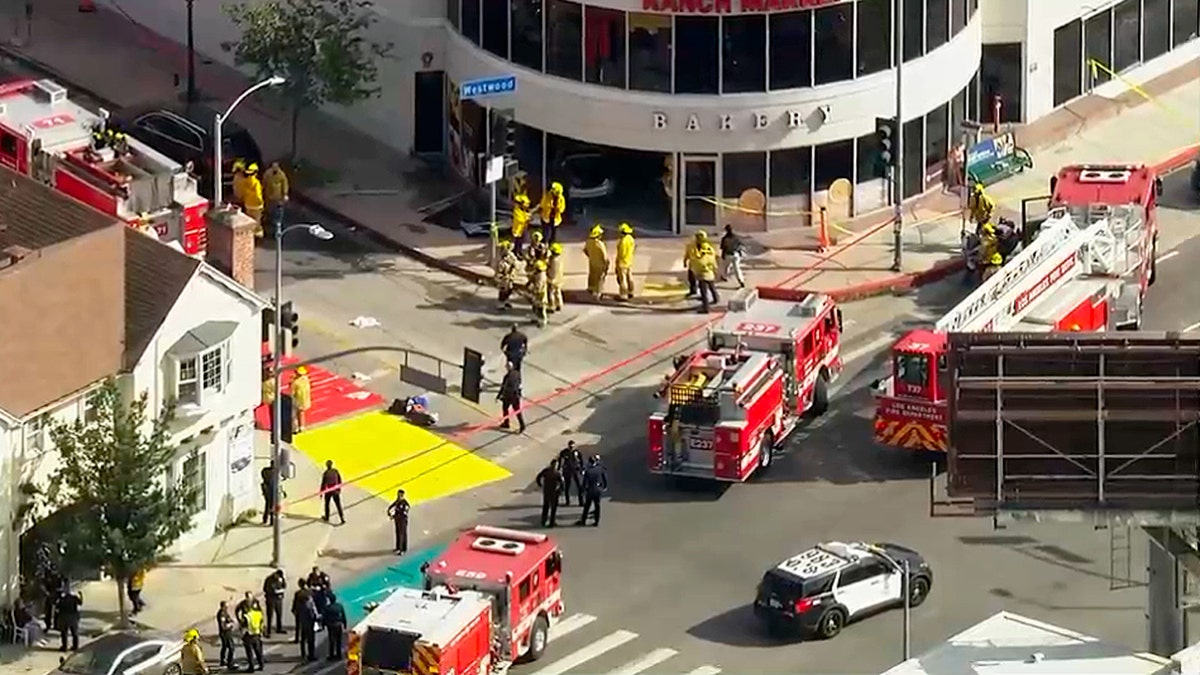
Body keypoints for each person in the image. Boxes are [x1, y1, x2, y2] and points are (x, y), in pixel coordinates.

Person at [691, 233, 720, 313]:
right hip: (710, 273)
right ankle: (716, 298)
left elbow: (697, 263)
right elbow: (714, 260)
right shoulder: (709, 249)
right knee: (712, 287)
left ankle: (706, 308)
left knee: (704, 292)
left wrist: (695, 270)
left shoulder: (698, 252)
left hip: (702, 274)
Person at [577, 455, 608, 527]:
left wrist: (583, 489)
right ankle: (596, 521)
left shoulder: (588, 471)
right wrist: (605, 486)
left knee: (587, 506)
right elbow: (604, 478)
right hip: (598, 489)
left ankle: (583, 520)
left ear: (589, 462)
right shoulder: (600, 469)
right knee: (597, 506)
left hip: (590, 490)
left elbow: (585, 482)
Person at [497, 361, 526, 433]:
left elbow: (503, 387)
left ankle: (506, 423)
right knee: (517, 411)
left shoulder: (507, 377)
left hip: (509, 396)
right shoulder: (517, 373)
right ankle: (522, 425)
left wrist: (499, 396)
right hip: (516, 396)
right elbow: (519, 382)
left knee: (505, 409)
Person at [262, 161, 289, 235]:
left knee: (278, 212)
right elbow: (264, 183)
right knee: (269, 211)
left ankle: (278, 226)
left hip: (278, 197)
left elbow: (285, 184)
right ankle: (269, 225)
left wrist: (285, 194)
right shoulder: (267, 174)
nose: (275, 169)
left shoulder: (281, 175)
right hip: (269, 196)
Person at [584, 225, 609, 299]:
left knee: (592, 276)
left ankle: (591, 288)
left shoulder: (588, 242)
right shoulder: (600, 244)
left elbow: (585, 251)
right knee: (599, 279)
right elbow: (604, 256)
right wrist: (606, 263)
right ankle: (598, 293)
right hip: (600, 264)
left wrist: (591, 256)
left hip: (592, 262)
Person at [536, 460, 563, 527]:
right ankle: (552, 522)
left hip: (547, 491)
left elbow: (538, 477)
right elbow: (562, 483)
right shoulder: (557, 473)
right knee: (553, 508)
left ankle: (543, 521)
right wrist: (560, 490)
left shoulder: (546, 471)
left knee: (546, 507)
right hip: (554, 492)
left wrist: (540, 484)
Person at [557, 440, 584, 507]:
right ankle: (567, 502)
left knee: (579, 486)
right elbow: (560, 461)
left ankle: (581, 502)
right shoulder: (564, 452)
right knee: (567, 487)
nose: (571, 447)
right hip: (567, 471)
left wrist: (582, 469)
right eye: (570, 446)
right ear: (568, 445)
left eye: (573, 446)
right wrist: (559, 469)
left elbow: (581, 461)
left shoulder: (577, 452)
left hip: (576, 470)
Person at [55, 585, 82, 652]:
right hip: (73, 617)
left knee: (64, 633)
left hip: (64, 617)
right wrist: (81, 595)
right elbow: (80, 603)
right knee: (74, 633)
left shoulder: (61, 599)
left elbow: (57, 608)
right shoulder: (74, 598)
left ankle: (65, 647)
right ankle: (75, 646)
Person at [261, 569, 287, 637]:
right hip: (271, 599)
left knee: (279, 614)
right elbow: (266, 589)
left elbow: (284, 586)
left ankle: (279, 628)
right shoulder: (269, 579)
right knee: (270, 615)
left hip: (279, 599)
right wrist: (274, 591)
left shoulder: (281, 578)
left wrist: (282, 584)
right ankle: (269, 629)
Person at [614, 223, 636, 301]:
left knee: (622, 280)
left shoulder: (623, 241)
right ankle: (631, 292)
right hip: (629, 261)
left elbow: (621, 253)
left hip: (622, 262)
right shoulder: (631, 239)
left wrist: (617, 263)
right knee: (629, 277)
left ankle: (623, 295)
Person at [496, 240, 520, 311]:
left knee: (509, 289)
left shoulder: (511, 255)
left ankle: (506, 301)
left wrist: (512, 269)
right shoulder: (501, 258)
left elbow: (515, 264)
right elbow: (499, 269)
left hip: (510, 276)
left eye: (503, 248)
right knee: (503, 290)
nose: (501, 250)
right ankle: (501, 303)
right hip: (503, 277)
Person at [243, 162, 265, 238]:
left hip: (248, 205)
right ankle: (257, 237)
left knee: (249, 220)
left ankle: (249, 235)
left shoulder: (245, 182)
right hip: (257, 206)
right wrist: (261, 202)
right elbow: (258, 194)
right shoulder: (256, 183)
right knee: (257, 221)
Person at [323, 593, 347, 661]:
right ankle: (339, 655)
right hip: (338, 625)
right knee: (338, 640)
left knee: (332, 640)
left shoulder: (327, 608)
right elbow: (343, 615)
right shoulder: (339, 606)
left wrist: (323, 625)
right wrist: (345, 624)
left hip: (331, 625)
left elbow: (325, 617)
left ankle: (331, 655)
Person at [242, 601, 266, 672]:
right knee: (258, 651)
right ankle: (261, 664)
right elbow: (261, 622)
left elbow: (244, 626)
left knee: (249, 652)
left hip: (249, 635)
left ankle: (251, 667)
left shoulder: (247, 616)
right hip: (257, 635)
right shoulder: (258, 614)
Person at [320, 460, 346, 524]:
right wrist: (339, 489)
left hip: (329, 491)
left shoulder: (326, 473)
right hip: (335, 490)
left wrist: (321, 492)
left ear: (326, 465)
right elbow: (339, 480)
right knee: (338, 505)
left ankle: (327, 517)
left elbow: (323, 484)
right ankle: (342, 518)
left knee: (327, 504)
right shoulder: (335, 471)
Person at [387, 489, 411, 554]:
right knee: (397, 533)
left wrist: (394, 516)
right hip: (397, 520)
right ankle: (398, 547)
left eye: (400, 495)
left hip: (402, 520)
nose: (398, 496)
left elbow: (403, 513)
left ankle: (402, 549)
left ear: (402, 495)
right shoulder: (397, 501)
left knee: (402, 534)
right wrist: (389, 511)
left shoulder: (405, 504)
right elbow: (393, 506)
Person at [216, 601, 237, 670]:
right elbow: (223, 626)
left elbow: (228, 619)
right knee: (231, 647)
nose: (227, 608)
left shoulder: (224, 612)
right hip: (225, 633)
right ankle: (230, 663)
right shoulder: (221, 614)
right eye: (226, 606)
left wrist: (232, 620)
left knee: (224, 647)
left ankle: (223, 661)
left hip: (226, 632)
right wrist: (230, 625)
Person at [291, 366, 312, 433]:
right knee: (301, 413)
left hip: (298, 399)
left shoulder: (295, 382)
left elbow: (292, 392)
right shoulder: (306, 379)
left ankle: (296, 427)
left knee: (296, 414)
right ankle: (301, 426)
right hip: (305, 398)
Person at [529, 259, 549, 328]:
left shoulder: (541, 277)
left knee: (541, 309)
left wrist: (532, 290)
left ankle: (542, 321)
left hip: (541, 296)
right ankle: (536, 318)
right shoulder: (537, 274)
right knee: (535, 307)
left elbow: (539, 287)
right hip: (537, 295)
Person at [547, 243, 565, 313]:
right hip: (559, 279)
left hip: (553, 279)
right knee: (558, 292)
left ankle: (552, 306)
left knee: (551, 293)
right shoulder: (559, 259)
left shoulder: (553, 261)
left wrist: (549, 279)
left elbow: (552, 271)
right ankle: (559, 304)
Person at [289, 581, 309, 645]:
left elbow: (295, 602)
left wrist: (293, 609)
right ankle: (306, 638)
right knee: (306, 626)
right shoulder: (309, 592)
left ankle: (297, 639)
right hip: (306, 611)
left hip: (299, 611)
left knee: (298, 626)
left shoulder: (298, 593)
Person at [683, 232, 701, 296]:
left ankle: (700, 292)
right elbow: (687, 255)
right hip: (693, 266)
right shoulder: (690, 246)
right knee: (692, 279)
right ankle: (693, 291)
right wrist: (685, 262)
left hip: (701, 266)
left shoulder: (706, 246)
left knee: (701, 280)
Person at [260, 461, 277, 526]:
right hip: (271, 490)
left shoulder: (265, 470)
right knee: (271, 506)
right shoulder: (274, 472)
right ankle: (271, 521)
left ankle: (266, 520)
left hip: (267, 490)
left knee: (268, 505)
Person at [261, 363, 276, 429]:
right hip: (270, 398)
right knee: (272, 413)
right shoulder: (271, 381)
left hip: (269, 398)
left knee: (273, 413)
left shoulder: (268, 382)